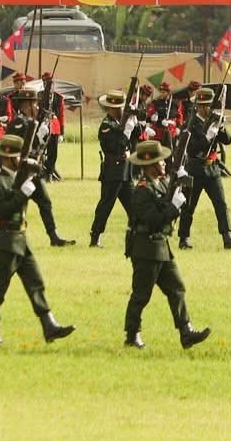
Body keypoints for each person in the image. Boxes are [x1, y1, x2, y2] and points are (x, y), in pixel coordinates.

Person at [0, 136, 77, 344]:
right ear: (9, 158)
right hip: (6, 241)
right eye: (18, 156)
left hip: (22, 240)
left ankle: (49, 325)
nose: (21, 160)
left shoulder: (20, 177)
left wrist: (32, 177)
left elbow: (44, 199)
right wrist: (22, 193)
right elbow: (3, 211)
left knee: (36, 282)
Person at [120, 139, 211, 350]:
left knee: (176, 288)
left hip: (161, 247)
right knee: (141, 294)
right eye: (160, 161)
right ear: (150, 165)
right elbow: (154, 219)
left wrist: (179, 190)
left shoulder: (161, 183)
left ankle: (186, 331)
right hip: (146, 247)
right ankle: (132, 335)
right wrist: (173, 206)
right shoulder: (142, 190)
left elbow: (168, 206)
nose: (164, 164)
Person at [5, 84, 76, 246]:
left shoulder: (30, 122)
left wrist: (43, 136)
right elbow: (13, 147)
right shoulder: (18, 123)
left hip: (33, 171)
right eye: (34, 103)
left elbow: (36, 148)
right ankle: (11, 235)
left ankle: (54, 237)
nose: (36, 106)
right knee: (18, 205)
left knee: (45, 202)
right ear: (27, 104)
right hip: (21, 171)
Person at [175, 88, 231, 250]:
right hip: (195, 169)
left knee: (221, 204)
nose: (208, 109)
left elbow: (227, 140)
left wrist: (219, 129)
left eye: (209, 105)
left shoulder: (213, 120)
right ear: (198, 106)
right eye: (204, 105)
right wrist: (207, 137)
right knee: (189, 205)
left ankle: (227, 236)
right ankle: (183, 238)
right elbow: (192, 149)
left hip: (212, 168)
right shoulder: (191, 124)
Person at [89, 91, 136, 247]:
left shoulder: (119, 123)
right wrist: (126, 131)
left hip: (125, 171)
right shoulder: (106, 126)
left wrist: (135, 125)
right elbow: (117, 146)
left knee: (134, 206)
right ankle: (95, 236)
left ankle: (137, 235)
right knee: (106, 205)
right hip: (113, 171)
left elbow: (133, 141)